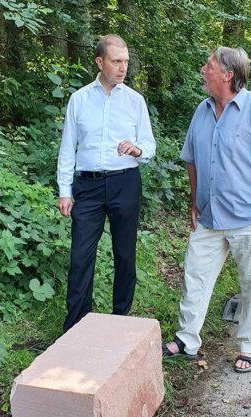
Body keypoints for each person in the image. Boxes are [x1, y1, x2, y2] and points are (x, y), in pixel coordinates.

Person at [162, 47, 251, 373]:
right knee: (195, 277)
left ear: (227, 75)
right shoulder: (201, 112)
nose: (203, 69)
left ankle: (249, 347)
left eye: (209, 65)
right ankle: (186, 340)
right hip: (209, 216)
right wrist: (193, 200)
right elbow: (191, 159)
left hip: (249, 217)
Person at [57, 34, 156, 332]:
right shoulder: (80, 99)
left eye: (125, 61)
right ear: (100, 62)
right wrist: (65, 191)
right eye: (116, 61)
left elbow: (149, 146)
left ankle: (119, 321)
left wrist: (137, 150)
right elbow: (67, 148)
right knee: (80, 257)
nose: (123, 67)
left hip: (125, 183)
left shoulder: (135, 101)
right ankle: (75, 325)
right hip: (86, 188)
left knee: (125, 255)